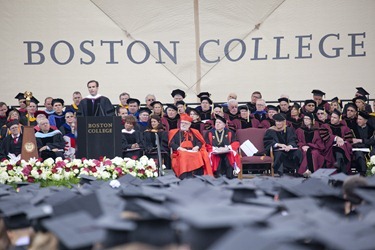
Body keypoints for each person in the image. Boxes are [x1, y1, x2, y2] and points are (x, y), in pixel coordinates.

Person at [168, 113, 212, 179]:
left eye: (185, 123)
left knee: (198, 155)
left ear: (189, 125)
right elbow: (171, 143)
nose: (183, 125)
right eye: (182, 123)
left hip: (193, 151)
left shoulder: (194, 132)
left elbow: (200, 142)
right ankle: (184, 176)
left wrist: (197, 147)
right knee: (184, 155)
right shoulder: (174, 132)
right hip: (180, 151)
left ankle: (197, 176)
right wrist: (179, 148)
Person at [320, 109, 353, 174]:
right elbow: (325, 138)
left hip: (343, 149)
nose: (332, 119)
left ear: (339, 119)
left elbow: (349, 140)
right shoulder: (325, 126)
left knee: (342, 145)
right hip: (329, 149)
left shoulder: (345, 128)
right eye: (331, 117)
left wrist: (341, 141)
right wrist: (336, 138)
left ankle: (339, 161)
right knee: (338, 147)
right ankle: (341, 165)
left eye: (335, 118)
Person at [295, 112, 325, 177]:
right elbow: (297, 141)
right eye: (305, 119)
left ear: (312, 120)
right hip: (303, 148)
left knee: (314, 153)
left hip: (315, 148)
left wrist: (309, 145)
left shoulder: (317, 130)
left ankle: (307, 171)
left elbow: (319, 143)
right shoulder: (299, 130)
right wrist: (302, 146)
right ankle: (308, 171)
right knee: (305, 152)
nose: (306, 120)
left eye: (308, 119)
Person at [351, 111, 375, 176]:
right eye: (357, 119)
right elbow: (352, 141)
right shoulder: (353, 129)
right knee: (359, 155)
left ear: (365, 121)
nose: (358, 121)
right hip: (357, 150)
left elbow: (372, 141)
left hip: (368, 150)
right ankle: (363, 174)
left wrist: (361, 140)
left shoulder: (371, 129)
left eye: (360, 119)